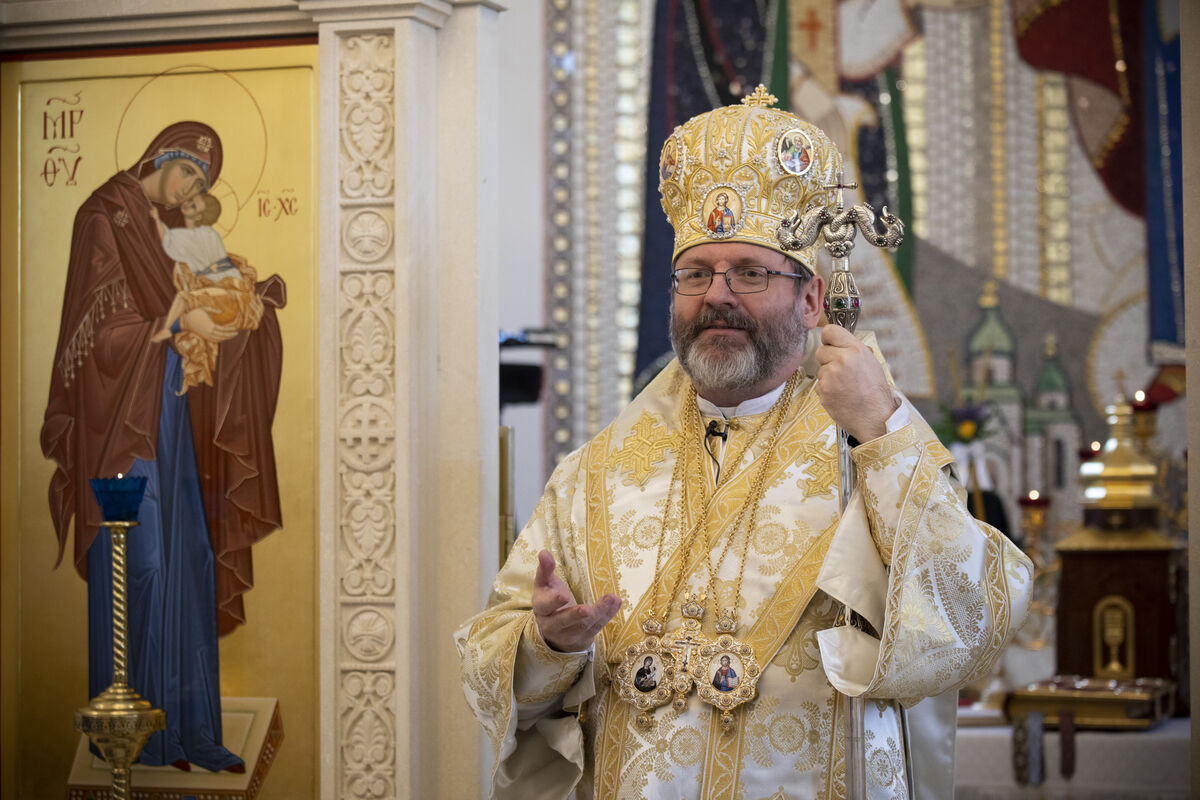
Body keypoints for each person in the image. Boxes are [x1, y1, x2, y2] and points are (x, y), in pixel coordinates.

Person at [456, 88, 1033, 798]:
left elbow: (972, 621)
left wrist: (884, 433)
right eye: (696, 274)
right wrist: (551, 644)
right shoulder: (592, 476)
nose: (716, 296)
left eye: (750, 273)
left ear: (813, 300)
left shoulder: (871, 448)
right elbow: (492, 668)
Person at [42, 121, 286, 772]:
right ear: (161, 158)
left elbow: (214, 289)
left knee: (191, 560)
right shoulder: (105, 216)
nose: (190, 193)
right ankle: (136, 735)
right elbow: (96, 333)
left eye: (202, 187)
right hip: (120, 422)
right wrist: (175, 320)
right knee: (142, 565)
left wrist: (247, 306)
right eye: (189, 176)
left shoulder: (174, 230)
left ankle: (192, 732)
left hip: (172, 415)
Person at [150, 193, 265, 395]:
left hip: (227, 290)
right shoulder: (210, 235)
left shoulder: (199, 235)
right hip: (230, 291)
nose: (187, 203)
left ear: (200, 217)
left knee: (185, 300)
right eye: (190, 201)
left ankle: (166, 329)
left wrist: (156, 219)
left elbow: (166, 239)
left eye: (193, 205)